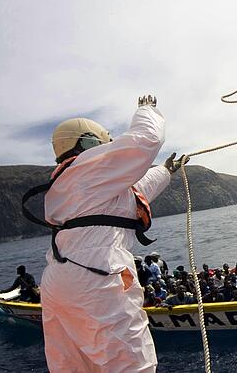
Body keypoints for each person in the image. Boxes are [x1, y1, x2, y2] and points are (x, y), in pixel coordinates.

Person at [39, 96, 188, 372]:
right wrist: (147, 109)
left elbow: (133, 195)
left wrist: (165, 172)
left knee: (72, 365)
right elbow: (147, 138)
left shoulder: (68, 184)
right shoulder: (88, 168)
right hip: (98, 276)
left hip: (58, 283)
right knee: (131, 362)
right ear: (89, 142)